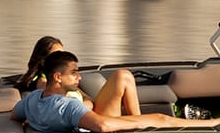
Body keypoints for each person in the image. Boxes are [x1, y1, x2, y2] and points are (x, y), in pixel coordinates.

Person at [13, 52, 220, 133]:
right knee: (161, 118)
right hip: (92, 131)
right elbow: (102, 126)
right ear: (57, 77)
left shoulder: (33, 99)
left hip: (74, 123)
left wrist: (33, 122)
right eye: (74, 73)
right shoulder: (68, 106)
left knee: (122, 75)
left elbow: (15, 115)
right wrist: (138, 123)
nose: (79, 78)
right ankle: (218, 122)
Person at [19, 35, 151, 120]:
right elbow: (63, 110)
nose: (63, 58)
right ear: (45, 59)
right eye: (58, 54)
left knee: (123, 76)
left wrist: (87, 104)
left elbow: (87, 98)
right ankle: (139, 125)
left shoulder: (65, 81)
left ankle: (138, 122)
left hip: (89, 114)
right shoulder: (45, 84)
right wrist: (85, 108)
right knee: (123, 76)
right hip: (87, 120)